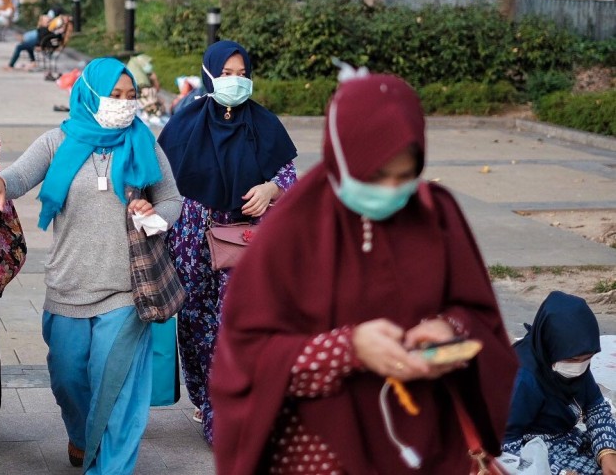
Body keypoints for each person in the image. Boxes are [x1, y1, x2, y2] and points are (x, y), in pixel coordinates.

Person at [210, 69, 518, 475]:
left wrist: (449, 331)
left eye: (405, 175)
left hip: (424, 444)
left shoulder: (436, 216)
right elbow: (246, 359)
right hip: (317, 450)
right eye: (376, 175)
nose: (391, 189)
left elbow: (480, 317)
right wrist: (348, 350)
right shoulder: (291, 231)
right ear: (342, 157)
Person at [0, 58, 182, 473]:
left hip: (126, 289)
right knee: (69, 379)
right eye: (114, 96)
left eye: (130, 97)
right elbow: (17, 177)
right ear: (89, 96)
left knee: (116, 384)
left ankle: (110, 467)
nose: (123, 105)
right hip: (68, 286)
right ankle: (84, 437)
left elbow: (171, 198)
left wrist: (152, 216)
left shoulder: (145, 142)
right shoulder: (58, 141)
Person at [157, 40, 298, 443]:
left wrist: (272, 189)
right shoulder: (186, 122)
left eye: (242, 73)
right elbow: (161, 177)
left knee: (235, 325)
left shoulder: (263, 123)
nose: (235, 81)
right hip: (191, 240)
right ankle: (206, 400)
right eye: (226, 73)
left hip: (245, 239)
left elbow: (289, 175)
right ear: (209, 75)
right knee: (195, 324)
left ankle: (228, 419)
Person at [503, 291, 616, 475]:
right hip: (536, 449)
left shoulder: (574, 368)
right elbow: (505, 446)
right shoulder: (524, 379)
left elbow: (595, 406)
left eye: (587, 358)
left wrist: (607, 452)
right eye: (573, 359)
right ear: (550, 347)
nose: (579, 366)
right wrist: (557, 471)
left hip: (570, 439)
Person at [124, 53, 167, 123]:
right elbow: (156, 89)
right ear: (142, 63)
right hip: (146, 104)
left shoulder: (135, 72)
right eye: (148, 63)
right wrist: (155, 79)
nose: (149, 65)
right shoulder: (142, 84)